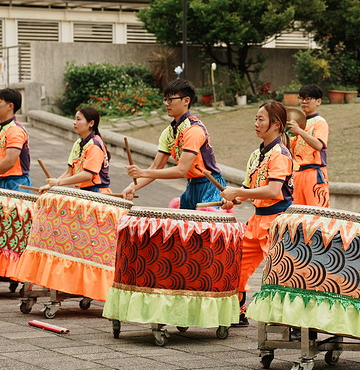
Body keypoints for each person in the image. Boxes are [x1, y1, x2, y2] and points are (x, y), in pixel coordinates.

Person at [220, 102, 294, 327]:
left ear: (276, 125)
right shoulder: (256, 154)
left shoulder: (280, 154)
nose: (256, 123)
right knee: (237, 263)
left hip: (277, 221)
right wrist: (234, 198)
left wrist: (238, 192)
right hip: (257, 220)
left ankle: (287, 321)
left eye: (261, 119)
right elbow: (248, 187)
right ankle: (238, 311)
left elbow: (273, 190)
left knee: (279, 272)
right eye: (256, 118)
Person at [123, 79, 225, 208]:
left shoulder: (194, 130)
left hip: (212, 185)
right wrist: (132, 187)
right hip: (192, 185)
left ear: (186, 100)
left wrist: (142, 173)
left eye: (170, 99)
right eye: (165, 99)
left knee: (206, 221)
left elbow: (181, 170)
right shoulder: (168, 132)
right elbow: (156, 167)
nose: (166, 104)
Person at [42, 106, 111, 193]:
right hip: (85, 191)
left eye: (78, 119)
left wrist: (58, 183)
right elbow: (69, 172)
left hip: (98, 192)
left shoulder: (94, 145)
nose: (74, 122)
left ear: (91, 123)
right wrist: (51, 186)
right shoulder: (78, 143)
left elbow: (87, 175)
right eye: (75, 119)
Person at [287, 85, 330, 207]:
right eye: (302, 98)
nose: (304, 102)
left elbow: (319, 145)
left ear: (318, 101)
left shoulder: (320, 122)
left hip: (314, 173)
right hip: (297, 173)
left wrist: (299, 131)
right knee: (296, 212)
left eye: (308, 98)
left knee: (317, 212)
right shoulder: (297, 123)